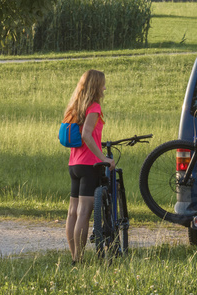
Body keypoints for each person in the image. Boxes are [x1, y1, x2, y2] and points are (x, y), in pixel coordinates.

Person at [63, 69, 115, 265]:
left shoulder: (74, 107)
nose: (104, 88)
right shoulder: (93, 108)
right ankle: (79, 258)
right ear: (95, 86)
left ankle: (74, 256)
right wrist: (103, 158)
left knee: (72, 212)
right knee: (84, 212)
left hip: (74, 164)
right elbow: (86, 135)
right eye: (102, 84)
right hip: (88, 164)